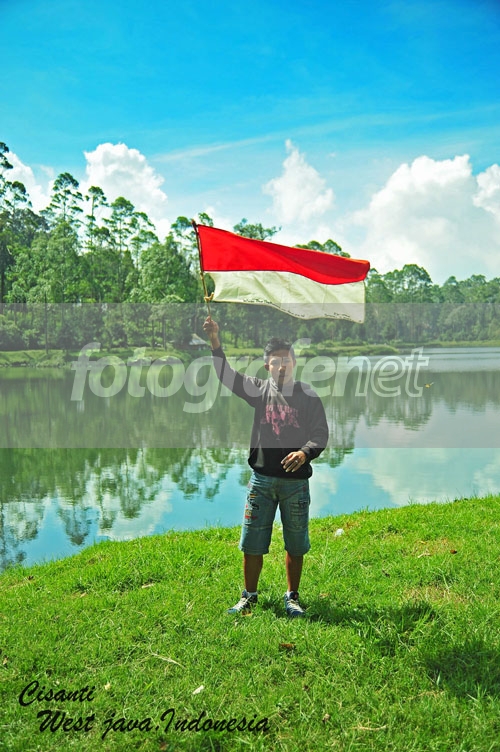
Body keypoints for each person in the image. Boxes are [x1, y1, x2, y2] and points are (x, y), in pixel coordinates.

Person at [203, 316, 329, 618]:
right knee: (252, 541)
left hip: (295, 483)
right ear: (267, 366)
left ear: (294, 363)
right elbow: (226, 375)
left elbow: (320, 435)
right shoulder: (258, 390)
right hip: (261, 481)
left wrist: (305, 453)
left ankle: (292, 597)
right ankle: (249, 596)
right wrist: (215, 339)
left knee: (295, 542)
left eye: (286, 361)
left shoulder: (308, 396)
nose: (281, 367)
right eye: (275, 362)